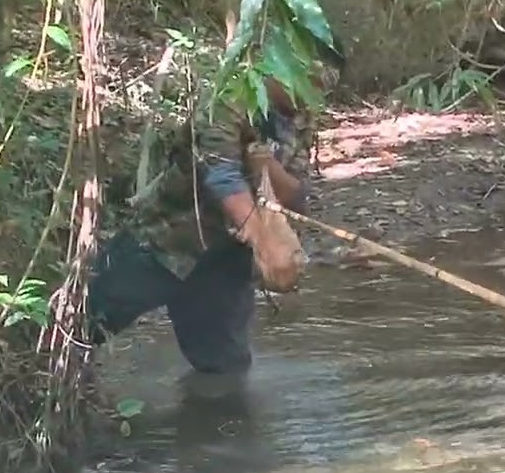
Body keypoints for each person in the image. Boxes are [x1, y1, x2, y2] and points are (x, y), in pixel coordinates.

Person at [86, 56, 338, 374]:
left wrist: (266, 165)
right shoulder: (229, 98)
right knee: (87, 320)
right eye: (308, 85)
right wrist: (264, 242)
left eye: (320, 90)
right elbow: (221, 175)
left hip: (226, 260)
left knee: (224, 369)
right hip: (168, 241)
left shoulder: (299, 119)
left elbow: (297, 196)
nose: (310, 98)